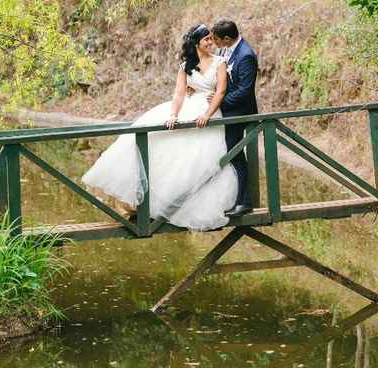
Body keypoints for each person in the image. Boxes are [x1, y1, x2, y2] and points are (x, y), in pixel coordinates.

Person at [81, 24, 238, 231]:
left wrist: (207, 114)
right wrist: (173, 114)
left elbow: (220, 92)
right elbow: (179, 93)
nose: (211, 43)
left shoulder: (220, 62)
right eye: (206, 39)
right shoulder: (185, 66)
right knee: (158, 143)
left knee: (199, 159)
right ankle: (144, 202)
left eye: (211, 39)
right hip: (188, 108)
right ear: (196, 43)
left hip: (208, 111)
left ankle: (180, 204)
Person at [210, 19, 258, 217]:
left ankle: (245, 201)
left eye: (216, 39)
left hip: (239, 112)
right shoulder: (224, 51)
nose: (214, 43)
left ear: (227, 38)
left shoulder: (246, 55)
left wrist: (218, 101)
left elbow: (245, 91)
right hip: (226, 111)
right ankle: (229, 198)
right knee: (225, 153)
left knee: (235, 154)